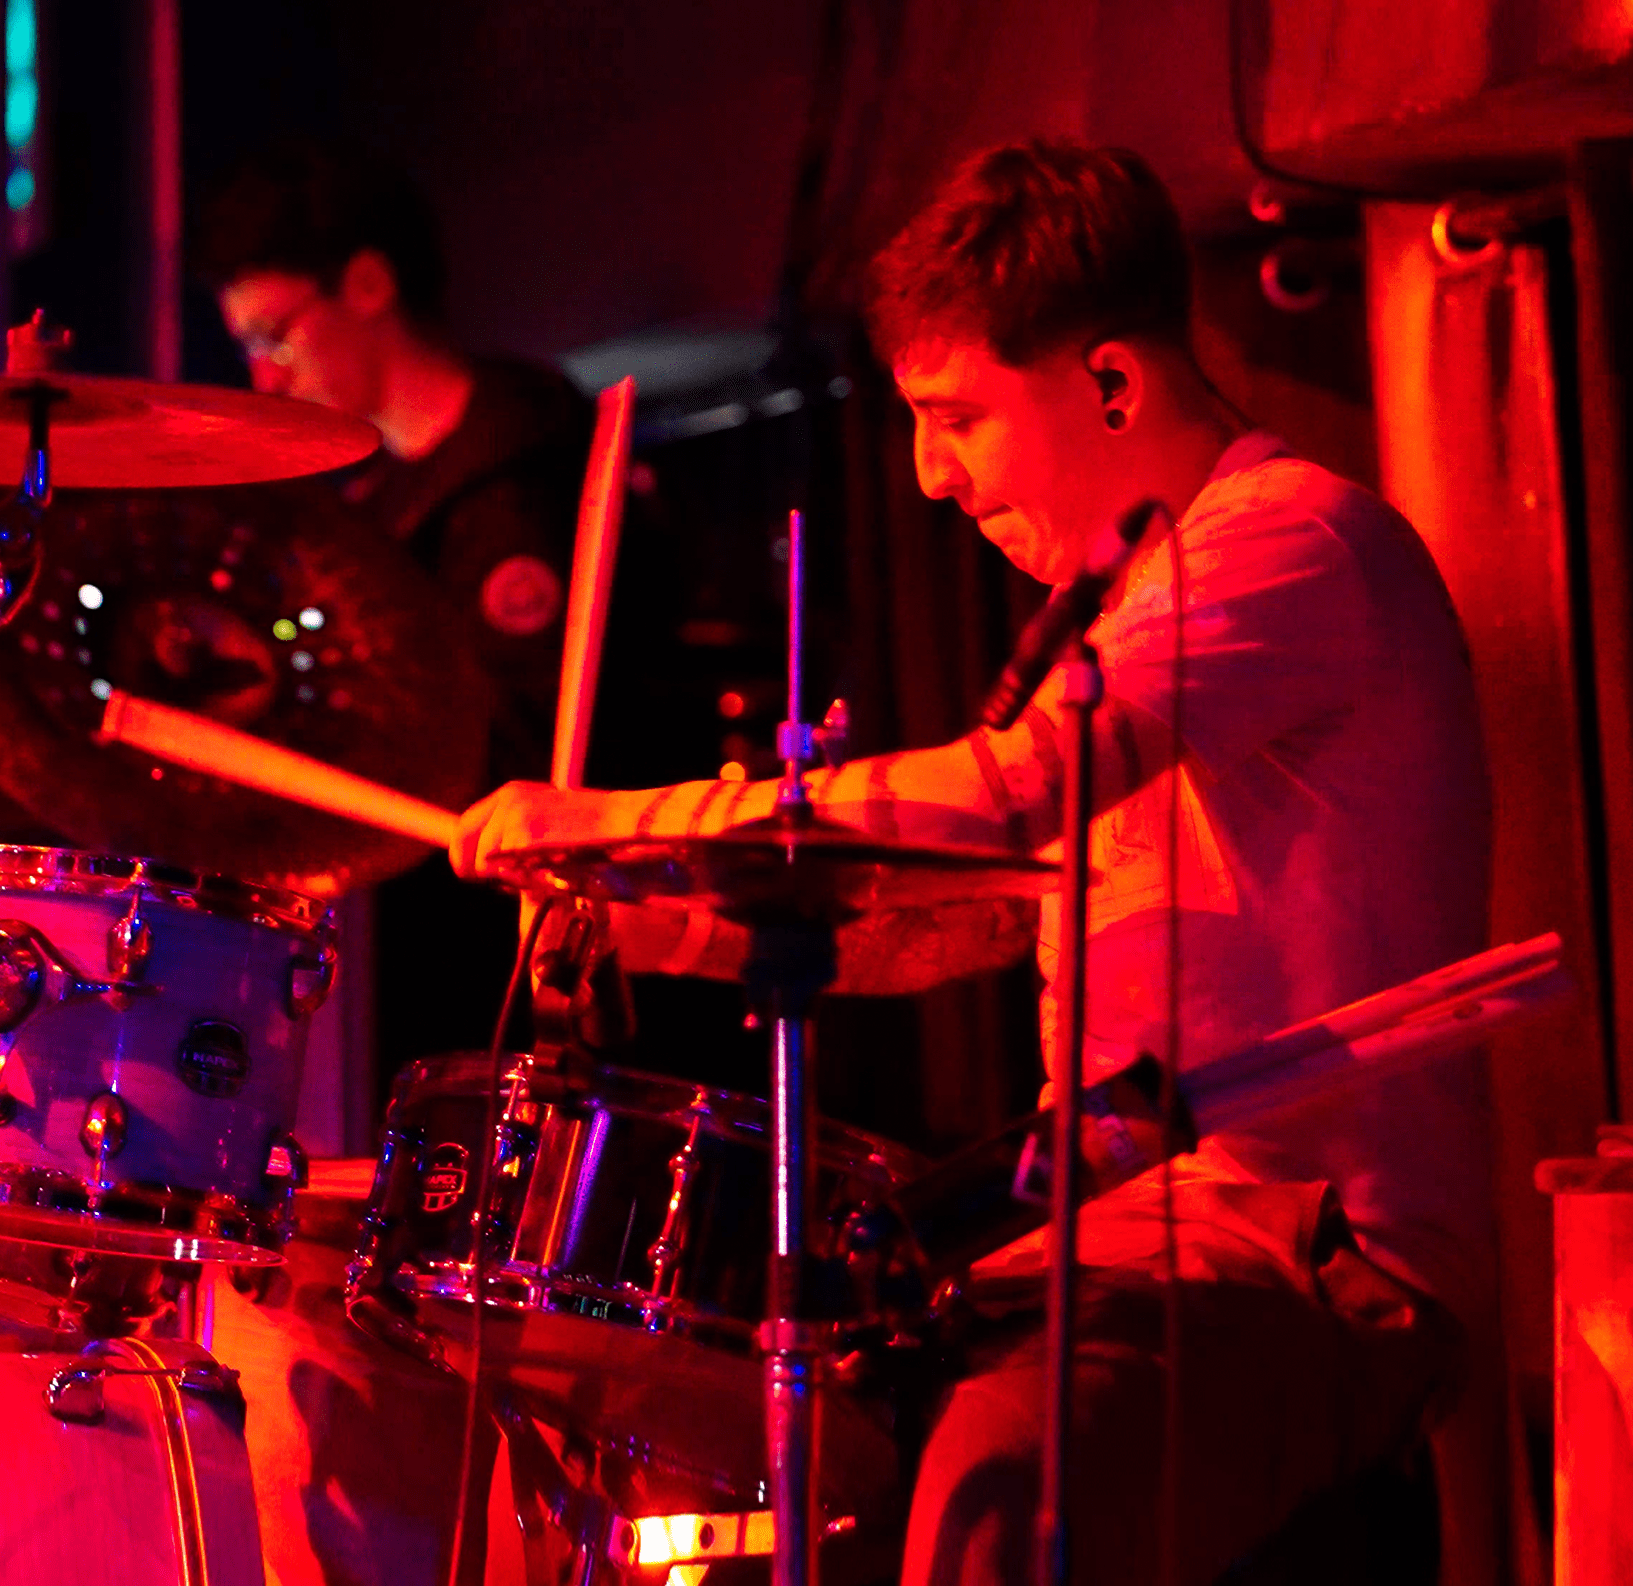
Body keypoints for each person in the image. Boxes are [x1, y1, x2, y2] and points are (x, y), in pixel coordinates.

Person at [453, 141, 1497, 1582]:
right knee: (765, 1430)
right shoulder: (1130, 606)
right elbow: (983, 920)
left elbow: (1014, 798)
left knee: (999, 1472)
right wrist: (660, 934)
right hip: (1113, 1208)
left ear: (1113, 385)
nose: (932, 480)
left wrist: (625, 820)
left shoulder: (1287, 544)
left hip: (1314, 1242)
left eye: (956, 419)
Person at [192, 142, 597, 1078]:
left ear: (368, 283)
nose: (265, 376)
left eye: (272, 336)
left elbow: (511, 753)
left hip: (511, 969)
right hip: (416, 952)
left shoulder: (518, 480)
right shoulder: (376, 498)